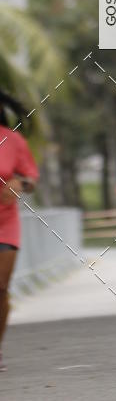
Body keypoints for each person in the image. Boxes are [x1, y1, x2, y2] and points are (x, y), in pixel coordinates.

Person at [0, 90, 38, 371]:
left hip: (5, 223)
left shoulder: (12, 140)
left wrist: (20, 184)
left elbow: (31, 178)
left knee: (0, 288)